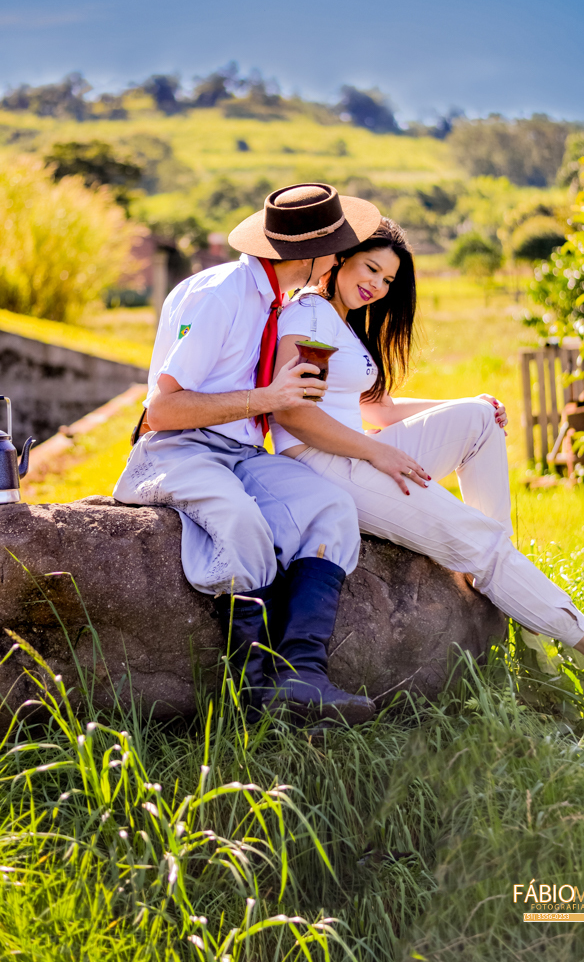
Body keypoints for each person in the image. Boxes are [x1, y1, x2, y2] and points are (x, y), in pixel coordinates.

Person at [271, 218, 584, 686]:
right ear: (340, 259)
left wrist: (465, 404)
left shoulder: (339, 323)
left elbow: (377, 410)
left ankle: (502, 581)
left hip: (353, 450)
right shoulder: (310, 314)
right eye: (370, 268)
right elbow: (294, 414)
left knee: (480, 421)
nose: (377, 286)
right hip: (324, 463)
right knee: (478, 540)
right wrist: (375, 454)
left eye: (388, 280)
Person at [113, 183, 383, 721]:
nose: (337, 262)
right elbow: (162, 411)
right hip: (178, 448)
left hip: (240, 451)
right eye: (334, 251)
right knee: (242, 522)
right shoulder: (218, 296)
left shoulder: (276, 302)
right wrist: (269, 398)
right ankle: (255, 692)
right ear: (308, 255)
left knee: (329, 508)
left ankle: (303, 676)